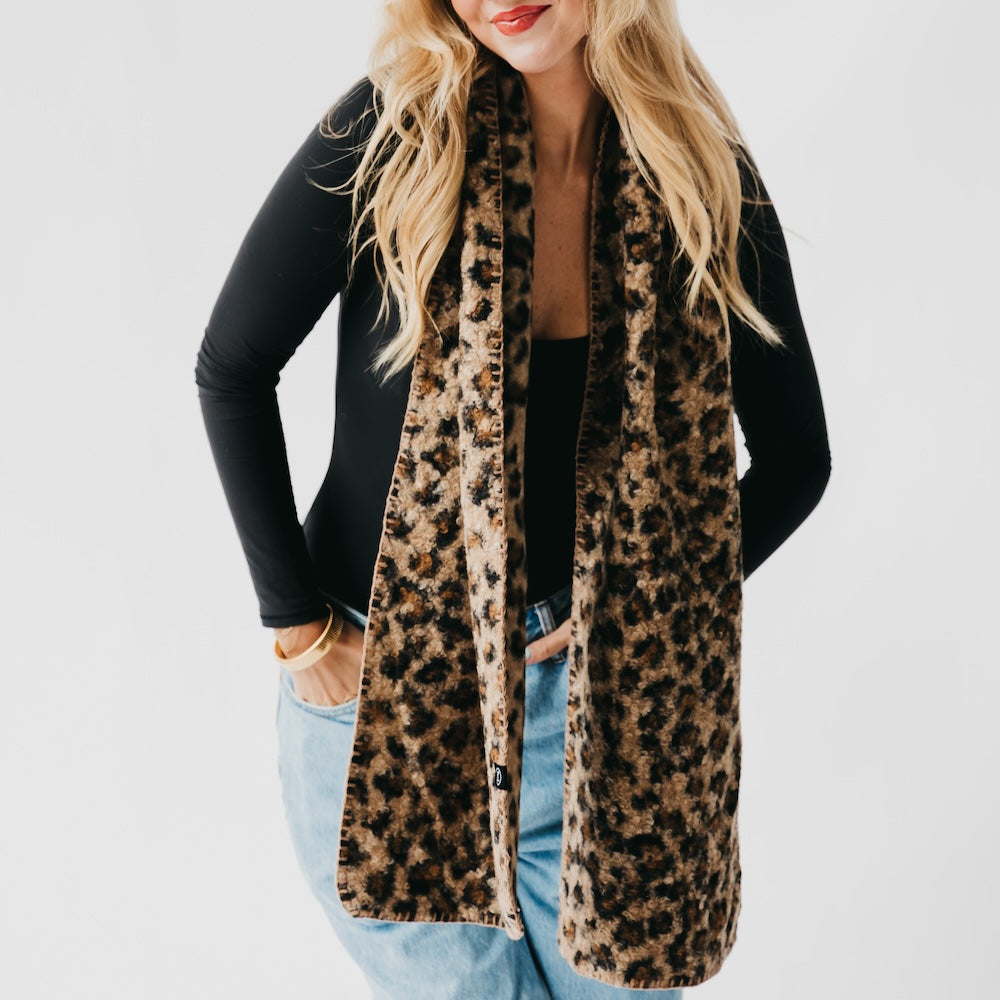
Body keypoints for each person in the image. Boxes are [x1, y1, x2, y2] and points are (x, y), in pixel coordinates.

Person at [195, 2, 830, 997]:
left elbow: (797, 458)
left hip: (603, 719)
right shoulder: (395, 134)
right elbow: (231, 369)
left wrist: (635, 607)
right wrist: (303, 633)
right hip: (390, 708)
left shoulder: (698, 173)